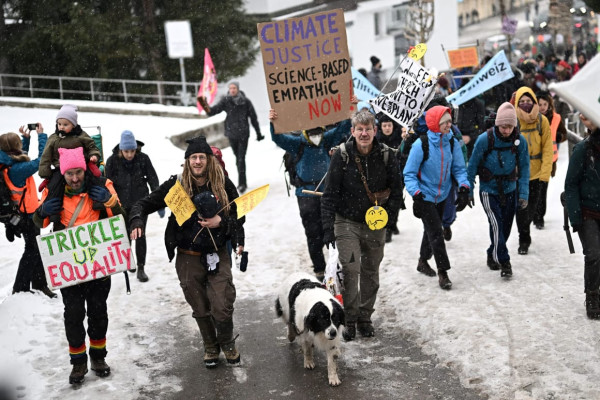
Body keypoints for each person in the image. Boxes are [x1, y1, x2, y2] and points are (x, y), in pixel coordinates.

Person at [129, 136, 245, 368]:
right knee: (199, 305)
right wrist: (136, 220)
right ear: (187, 160)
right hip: (187, 256)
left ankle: (227, 343)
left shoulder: (222, 183)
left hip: (217, 252)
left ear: (209, 160)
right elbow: (144, 204)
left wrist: (221, 221)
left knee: (221, 304)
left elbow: (240, 213)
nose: (198, 161)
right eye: (194, 157)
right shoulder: (176, 186)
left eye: (202, 157)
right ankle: (210, 346)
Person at [32, 146, 124, 384]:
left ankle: (98, 357)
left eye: (78, 173)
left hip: (98, 264)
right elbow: (40, 223)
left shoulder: (103, 185)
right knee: (73, 314)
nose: (74, 178)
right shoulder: (54, 191)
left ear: (85, 171)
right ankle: (78, 363)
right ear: (63, 173)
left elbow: (119, 217)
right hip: (69, 267)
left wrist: (109, 201)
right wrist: (42, 210)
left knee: (97, 312)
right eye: (69, 174)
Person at [321, 109, 403, 341]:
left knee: (370, 271)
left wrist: (388, 215)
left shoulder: (387, 155)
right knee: (350, 268)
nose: (364, 133)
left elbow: (397, 191)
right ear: (353, 131)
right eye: (360, 129)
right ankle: (350, 318)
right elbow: (330, 194)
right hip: (346, 222)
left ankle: (365, 316)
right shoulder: (342, 155)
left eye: (368, 129)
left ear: (375, 131)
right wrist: (328, 227)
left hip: (375, 222)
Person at [269, 108, 352, 280]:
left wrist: (350, 109)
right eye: (312, 133)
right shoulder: (296, 143)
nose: (316, 136)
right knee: (313, 233)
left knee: (331, 230)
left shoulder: (327, 140)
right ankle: (320, 269)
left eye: (318, 132)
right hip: (305, 195)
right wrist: (273, 122)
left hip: (327, 194)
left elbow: (344, 127)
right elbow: (277, 137)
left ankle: (334, 265)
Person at [403, 105, 470, 290]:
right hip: (424, 195)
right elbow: (408, 173)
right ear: (435, 123)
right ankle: (443, 272)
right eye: (445, 122)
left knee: (431, 230)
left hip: (443, 195)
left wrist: (464, 187)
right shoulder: (421, 144)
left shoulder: (451, 142)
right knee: (436, 232)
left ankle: (422, 261)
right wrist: (416, 194)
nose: (449, 124)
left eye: (450, 121)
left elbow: (459, 168)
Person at [467, 102, 530, 278]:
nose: (507, 131)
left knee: (505, 228)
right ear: (497, 124)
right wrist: (468, 189)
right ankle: (505, 261)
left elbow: (525, 168)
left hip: (510, 188)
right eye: (503, 126)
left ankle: (491, 252)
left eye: (510, 127)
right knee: (496, 224)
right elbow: (472, 166)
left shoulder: (520, 141)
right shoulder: (484, 140)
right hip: (489, 190)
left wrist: (524, 193)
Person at [0, 124, 55, 298]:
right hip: (27, 215)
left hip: (23, 213)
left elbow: (20, 156)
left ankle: (39, 284)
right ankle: (21, 286)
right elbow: (41, 161)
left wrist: (26, 139)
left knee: (35, 248)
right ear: (13, 149)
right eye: (18, 144)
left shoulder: (7, 162)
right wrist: (41, 136)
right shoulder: (17, 170)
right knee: (32, 249)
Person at [105, 130, 163, 282]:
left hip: (141, 203)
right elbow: (106, 183)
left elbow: (153, 178)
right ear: (121, 150)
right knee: (125, 235)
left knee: (140, 234)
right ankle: (128, 260)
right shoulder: (112, 161)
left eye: (132, 151)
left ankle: (141, 267)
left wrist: (158, 201)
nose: (130, 154)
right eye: (126, 151)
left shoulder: (143, 159)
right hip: (121, 204)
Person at [38, 104, 103, 226]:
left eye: (65, 124)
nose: (61, 127)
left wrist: (94, 155)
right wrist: (44, 171)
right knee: (54, 186)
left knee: (94, 179)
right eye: (59, 124)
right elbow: (46, 156)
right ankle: (54, 212)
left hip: (81, 165)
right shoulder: (54, 138)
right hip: (60, 168)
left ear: (73, 124)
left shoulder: (80, 135)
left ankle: (97, 201)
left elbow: (91, 146)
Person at [197, 81, 264, 194]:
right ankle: (241, 178)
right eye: (230, 88)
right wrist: (204, 104)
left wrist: (258, 133)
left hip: (243, 134)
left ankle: (242, 183)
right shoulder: (226, 101)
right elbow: (213, 112)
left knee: (241, 158)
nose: (232, 90)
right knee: (237, 157)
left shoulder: (245, 102)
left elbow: (253, 118)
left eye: (234, 88)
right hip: (231, 134)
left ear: (238, 89)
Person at [564, 113, 600, 319]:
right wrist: (576, 217)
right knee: (594, 254)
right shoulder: (583, 150)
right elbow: (570, 184)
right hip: (588, 211)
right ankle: (592, 295)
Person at [513, 87, 552, 255]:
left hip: (536, 173)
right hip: (519, 174)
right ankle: (524, 239)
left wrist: (545, 174)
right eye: (522, 102)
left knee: (531, 208)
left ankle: (525, 229)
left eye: (529, 102)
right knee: (521, 209)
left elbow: (548, 149)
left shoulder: (542, 121)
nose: (526, 105)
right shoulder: (513, 120)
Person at [534, 92, 567, 229]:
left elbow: (563, 134)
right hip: (533, 159)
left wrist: (558, 137)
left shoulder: (556, 118)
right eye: (540, 104)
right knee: (533, 188)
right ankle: (533, 214)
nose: (542, 107)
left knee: (542, 189)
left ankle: (539, 217)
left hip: (549, 159)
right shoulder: (531, 117)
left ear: (549, 104)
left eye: (545, 104)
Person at [376, 113, 404, 242]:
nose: (387, 128)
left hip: (398, 175)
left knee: (395, 201)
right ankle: (385, 227)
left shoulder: (400, 138)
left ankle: (392, 223)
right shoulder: (376, 140)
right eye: (384, 125)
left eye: (389, 125)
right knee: (383, 201)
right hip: (381, 176)